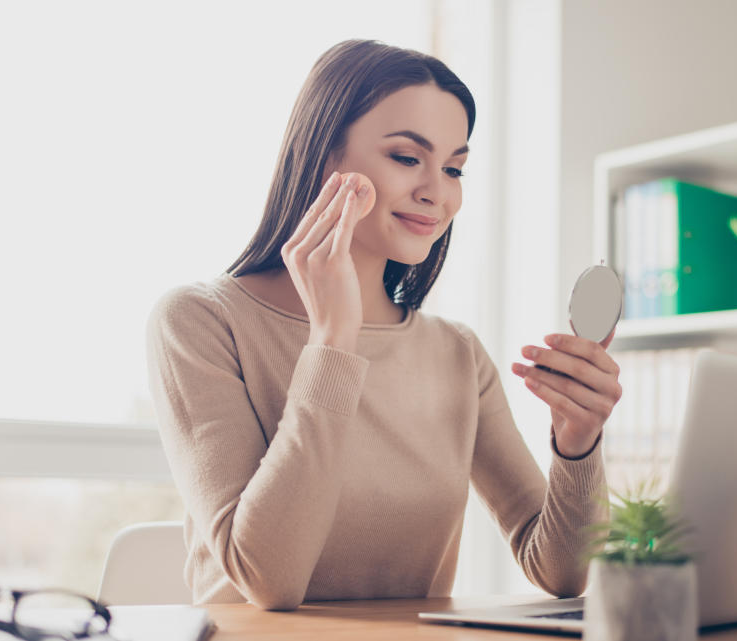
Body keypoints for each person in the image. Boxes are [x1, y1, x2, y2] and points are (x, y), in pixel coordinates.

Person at [145, 38, 622, 611]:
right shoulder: (200, 322)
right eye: (406, 157)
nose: (436, 192)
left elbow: (562, 573)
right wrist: (332, 344)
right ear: (325, 156)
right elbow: (270, 581)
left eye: (453, 168)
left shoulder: (458, 354)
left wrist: (577, 443)